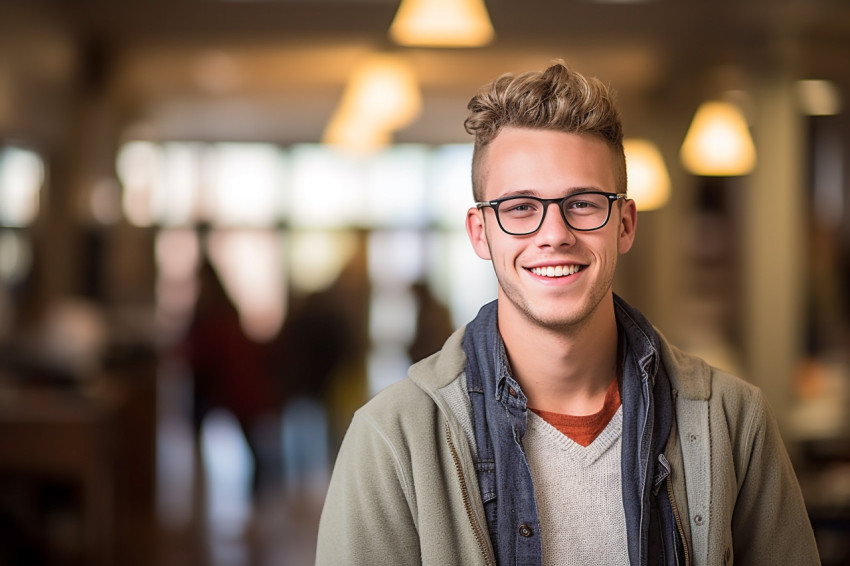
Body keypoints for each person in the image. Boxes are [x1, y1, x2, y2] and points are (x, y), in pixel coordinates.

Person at [315, 62, 820, 565]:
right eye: (519, 207)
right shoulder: (393, 437)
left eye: (581, 203)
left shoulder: (732, 421)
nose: (554, 233)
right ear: (478, 233)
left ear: (624, 225)